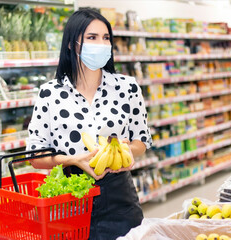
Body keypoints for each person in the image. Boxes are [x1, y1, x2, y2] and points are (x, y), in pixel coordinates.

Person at [26, 8, 152, 240]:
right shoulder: (50, 93)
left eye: (106, 38)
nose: (101, 44)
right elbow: (36, 156)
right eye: (92, 38)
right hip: (68, 200)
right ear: (72, 45)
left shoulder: (127, 87)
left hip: (119, 199)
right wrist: (73, 160)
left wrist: (125, 153)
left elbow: (141, 140)